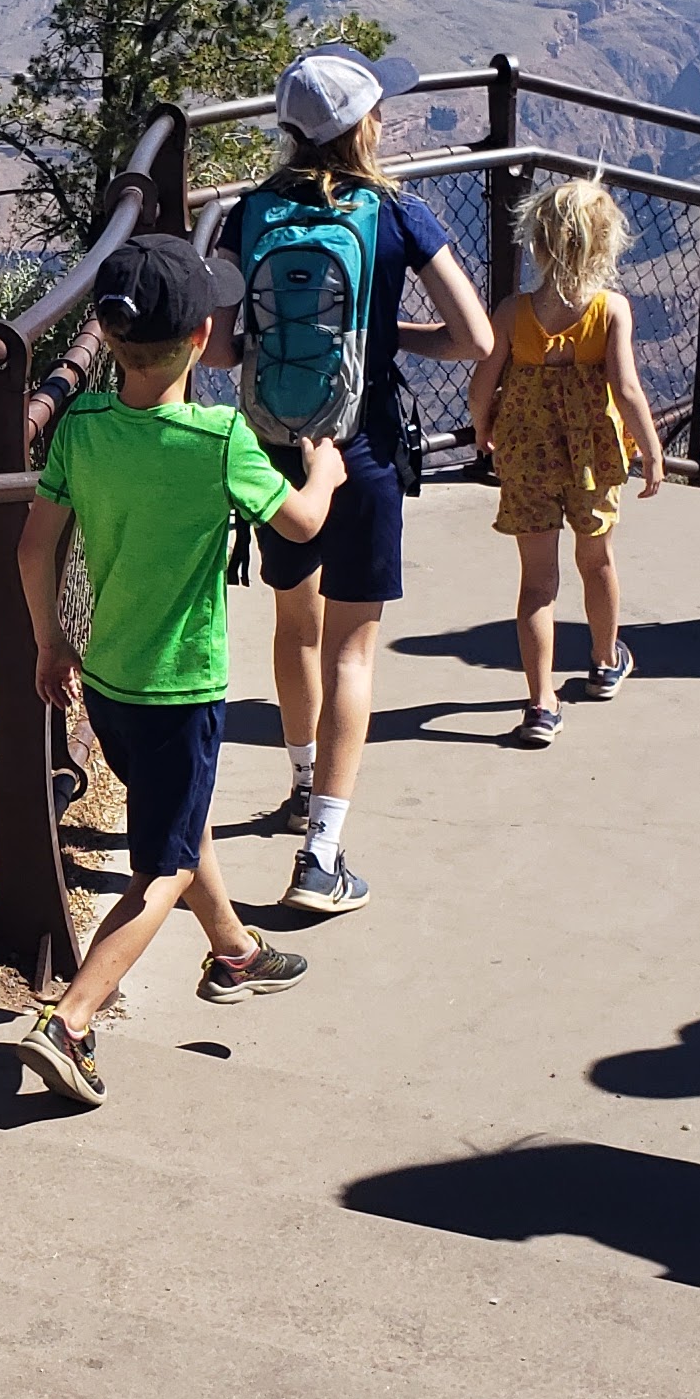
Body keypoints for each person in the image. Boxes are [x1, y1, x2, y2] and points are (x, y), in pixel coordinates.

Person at [13, 231, 346, 1109]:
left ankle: (234, 952)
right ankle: (71, 1019)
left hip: (108, 681)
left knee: (177, 820)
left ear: (110, 341)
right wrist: (326, 473)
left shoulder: (82, 427)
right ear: (202, 338)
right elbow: (301, 525)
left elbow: (34, 548)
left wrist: (51, 642)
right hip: (182, 688)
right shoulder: (219, 438)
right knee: (160, 867)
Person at [205, 48, 492, 917]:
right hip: (361, 449)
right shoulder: (399, 213)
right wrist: (387, 338)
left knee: (295, 623)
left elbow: (217, 350)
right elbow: (475, 338)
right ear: (364, 126)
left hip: (273, 448)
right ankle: (321, 855)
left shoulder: (247, 212)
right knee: (352, 651)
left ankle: (299, 783)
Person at [466, 174, 664, 743]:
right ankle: (604, 662)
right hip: (592, 458)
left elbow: (481, 387)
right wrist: (651, 451)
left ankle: (540, 704)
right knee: (596, 561)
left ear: (538, 242)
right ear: (606, 245)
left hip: (526, 455)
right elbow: (626, 389)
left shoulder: (513, 312)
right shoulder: (611, 310)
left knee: (537, 582)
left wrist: (484, 427)